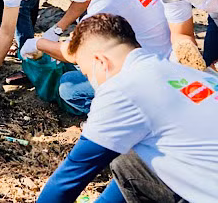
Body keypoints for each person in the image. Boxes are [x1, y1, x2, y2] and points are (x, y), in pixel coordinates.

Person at [37, 14, 218, 203]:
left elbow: (70, 177)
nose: (91, 79)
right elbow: (138, 168)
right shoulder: (184, 72)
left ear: (100, 61)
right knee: (131, 156)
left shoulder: (122, 89)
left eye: (87, 72)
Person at [33, 0, 172, 114]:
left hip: (147, 75)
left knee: (69, 87)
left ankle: (120, 114)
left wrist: (39, 44)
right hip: (165, 57)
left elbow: (74, 53)